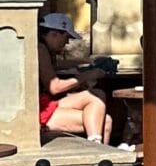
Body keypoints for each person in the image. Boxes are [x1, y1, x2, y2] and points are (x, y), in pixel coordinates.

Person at [37, 14, 112, 145]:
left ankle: (95, 145)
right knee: (105, 121)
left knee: (98, 95)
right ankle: (96, 149)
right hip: (40, 113)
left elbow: (55, 67)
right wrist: (86, 76)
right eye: (66, 37)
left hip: (45, 104)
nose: (66, 43)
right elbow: (55, 88)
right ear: (54, 34)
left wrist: (86, 63)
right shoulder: (40, 49)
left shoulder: (45, 49)